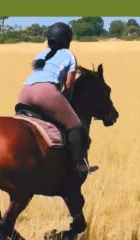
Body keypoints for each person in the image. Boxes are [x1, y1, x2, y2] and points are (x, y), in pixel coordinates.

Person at [18, 22, 89, 176]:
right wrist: (66, 101)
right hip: (46, 92)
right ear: (68, 40)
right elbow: (69, 84)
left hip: (25, 91)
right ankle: (79, 163)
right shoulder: (69, 56)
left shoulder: (41, 54)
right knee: (75, 124)